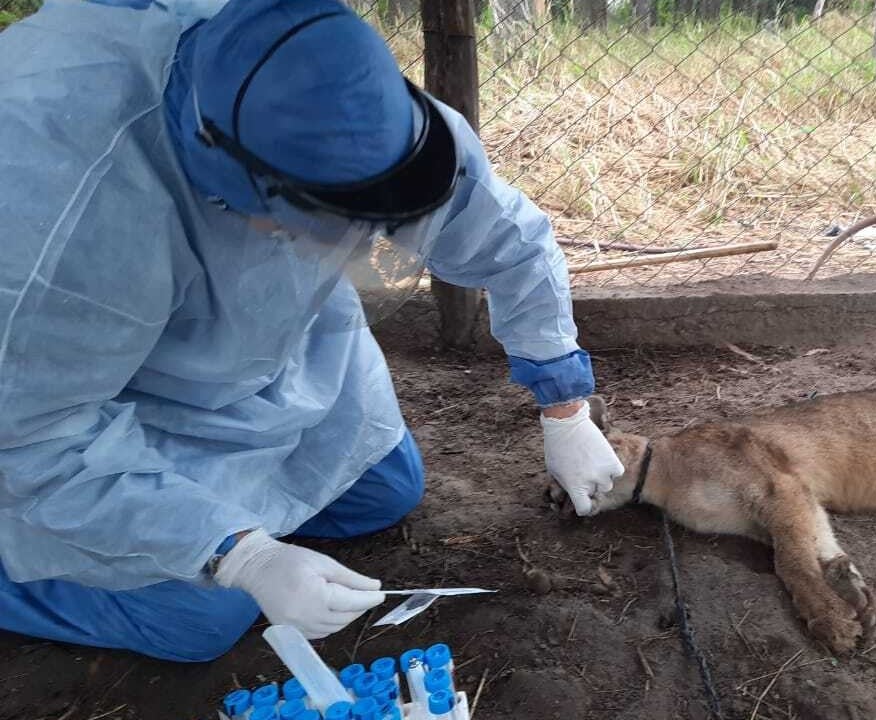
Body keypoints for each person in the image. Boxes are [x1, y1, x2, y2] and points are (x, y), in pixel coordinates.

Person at [0, 0, 623, 662]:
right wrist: (239, 554)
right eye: (336, 228)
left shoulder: (355, 112)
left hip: (258, 351)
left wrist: (564, 406)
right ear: (244, 192)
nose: (361, 244)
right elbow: (37, 438)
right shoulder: (67, 208)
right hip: (85, 394)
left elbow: (510, 240)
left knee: (386, 490)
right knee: (201, 617)